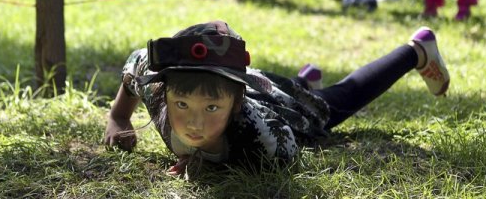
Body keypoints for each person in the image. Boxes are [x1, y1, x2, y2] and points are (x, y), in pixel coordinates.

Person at [104, 20, 450, 174]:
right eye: (183, 105)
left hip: (275, 102)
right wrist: (118, 117)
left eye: (211, 108)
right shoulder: (157, 85)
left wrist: (208, 165)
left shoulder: (267, 137)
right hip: (245, 82)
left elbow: (288, 151)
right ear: (165, 93)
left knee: (332, 105)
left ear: (235, 106)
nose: (194, 122)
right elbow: (135, 63)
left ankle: (416, 50)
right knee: (292, 90)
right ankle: (303, 80)